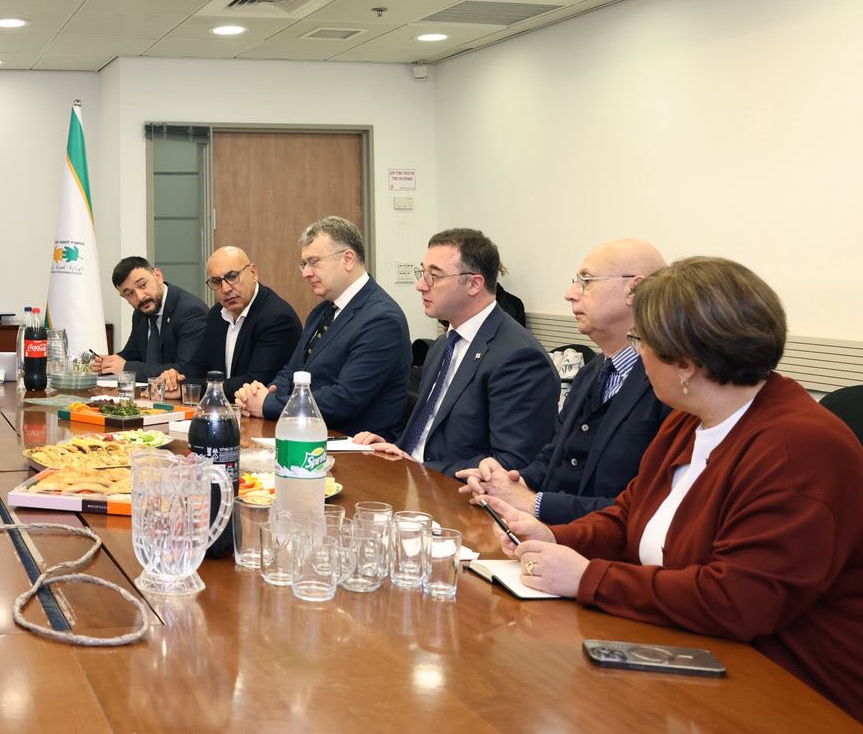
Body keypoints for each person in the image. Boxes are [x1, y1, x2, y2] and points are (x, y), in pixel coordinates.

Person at [485, 257, 863, 722]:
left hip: (793, 690)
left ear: (685, 363)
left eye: (640, 340)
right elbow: (631, 516)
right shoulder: (690, 419)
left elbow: (740, 601)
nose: (637, 354)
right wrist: (557, 536)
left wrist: (588, 578)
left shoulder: (798, 448)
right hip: (692, 652)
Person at [458, 239, 670, 523]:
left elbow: (648, 507)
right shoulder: (592, 371)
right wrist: (509, 482)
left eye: (586, 281)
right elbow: (552, 456)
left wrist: (535, 503)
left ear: (635, 290)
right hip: (551, 532)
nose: (570, 294)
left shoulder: (669, 385)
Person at [355, 228, 558, 476]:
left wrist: (417, 468)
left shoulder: (519, 358)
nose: (420, 285)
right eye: (423, 273)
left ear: (474, 284)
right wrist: (394, 448)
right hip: (414, 479)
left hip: (455, 492)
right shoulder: (444, 344)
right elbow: (427, 435)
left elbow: (511, 463)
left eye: (434, 276)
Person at [233, 218, 409, 435]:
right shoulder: (323, 310)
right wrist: (266, 392)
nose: (305, 273)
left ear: (348, 259)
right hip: (311, 434)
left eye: (314, 262)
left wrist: (267, 404)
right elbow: (293, 370)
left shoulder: (381, 319)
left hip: (358, 445)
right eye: (304, 264)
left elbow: (345, 399)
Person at [156, 246, 301, 401]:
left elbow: (255, 382)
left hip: (266, 412)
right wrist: (175, 379)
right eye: (216, 281)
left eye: (232, 276)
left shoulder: (277, 317)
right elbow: (199, 365)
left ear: (253, 273)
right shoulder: (217, 314)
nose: (225, 288)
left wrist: (189, 389)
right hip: (228, 408)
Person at [90, 256, 206, 380]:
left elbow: (185, 370)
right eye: (130, 293)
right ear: (123, 296)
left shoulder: (190, 310)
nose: (140, 297)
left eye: (143, 285)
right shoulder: (140, 312)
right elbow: (132, 353)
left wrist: (125, 368)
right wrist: (109, 363)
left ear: (158, 276)